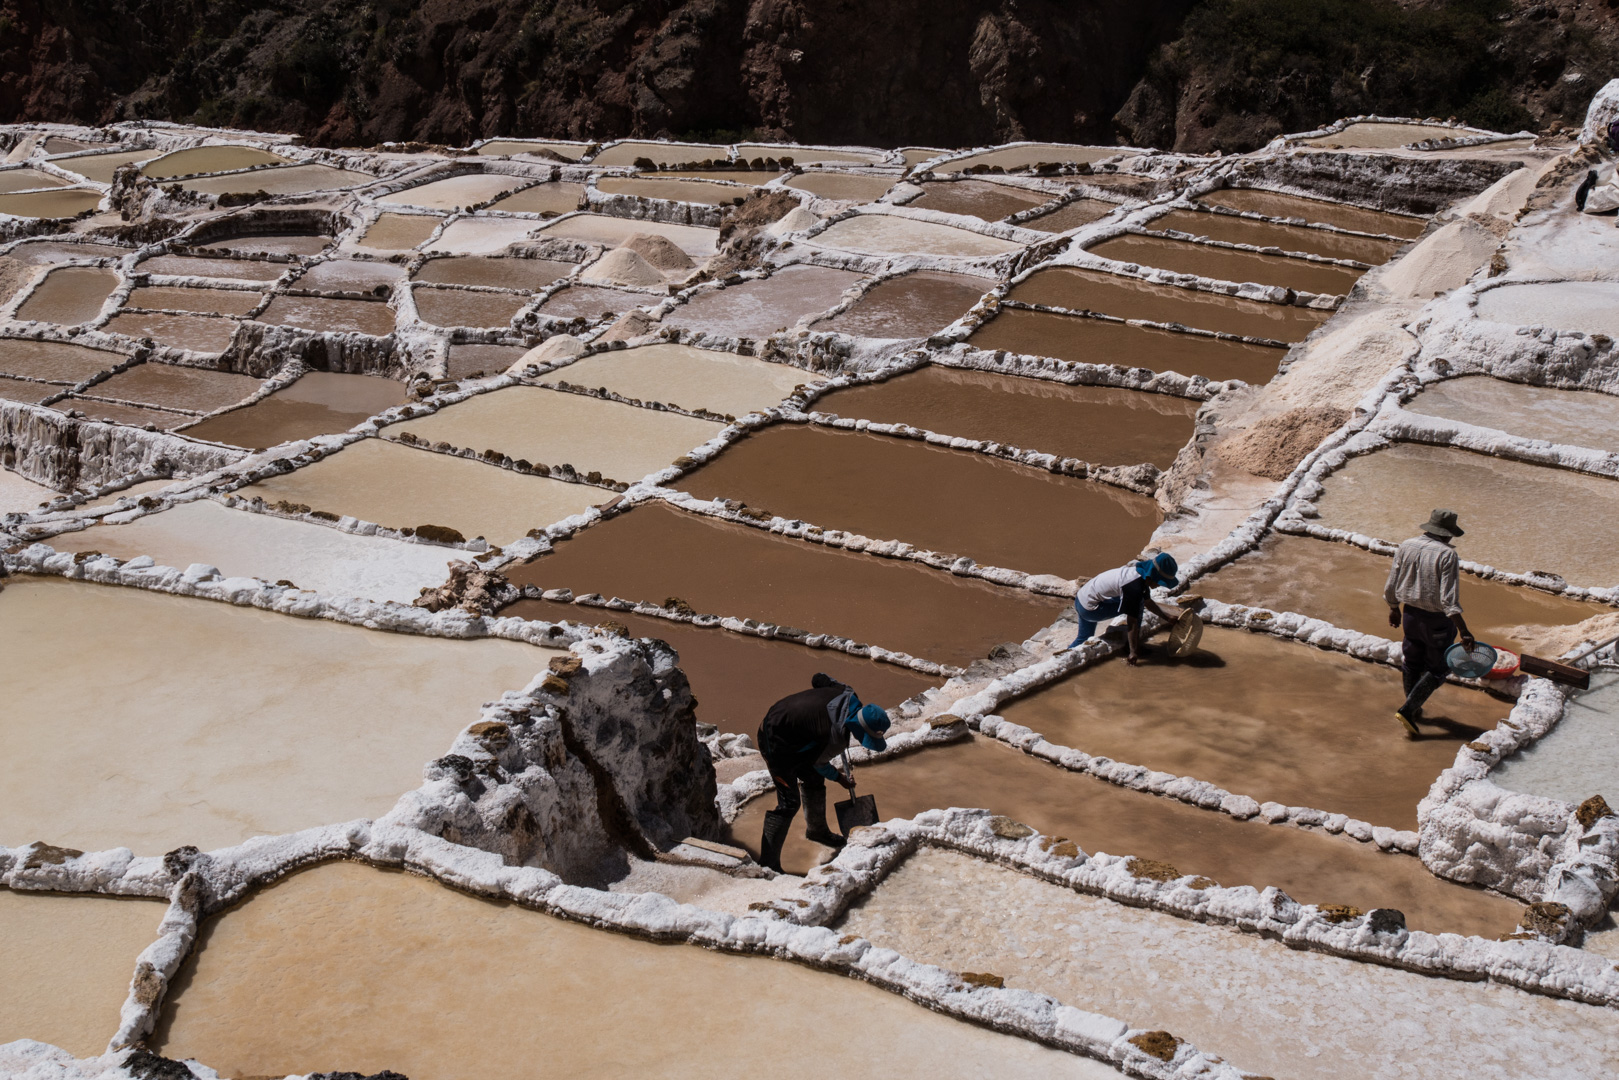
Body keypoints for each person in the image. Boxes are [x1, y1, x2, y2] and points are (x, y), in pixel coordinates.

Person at [755, 674, 890, 874]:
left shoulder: (847, 692)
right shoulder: (831, 736)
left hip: (794, 727)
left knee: (813, 779)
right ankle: (768, 864)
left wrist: (815, 705)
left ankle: (817, 831)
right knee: (789, 802)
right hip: (774, 737)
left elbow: (819, 678)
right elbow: (819, 763)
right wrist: (839, 778)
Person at [1385, 508, 1475, 737]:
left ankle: (1413, 708)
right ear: (1448, 534)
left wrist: (1394, 608)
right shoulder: (1447, 555)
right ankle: (1408, 709)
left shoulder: (1406, 545)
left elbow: (1391, 583)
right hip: (1437, 621)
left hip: (1410, 615)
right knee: (1438, 668)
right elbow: (1449, 601)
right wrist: (1464, 631)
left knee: (1412, 662)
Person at [1067, 552, 1180, 663]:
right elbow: (1132, 621)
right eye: (1160, 582)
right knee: (1137, 605)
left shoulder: (1139, 576)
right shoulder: (1134, 587)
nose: (1159, 585)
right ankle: (1129, 647)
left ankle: (1066, 657)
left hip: (1081, 599)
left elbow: (1149, 602)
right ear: (1153, 577)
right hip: (1091, 609)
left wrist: (1168, 617)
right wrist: (1133, 652)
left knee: (1084, 638)